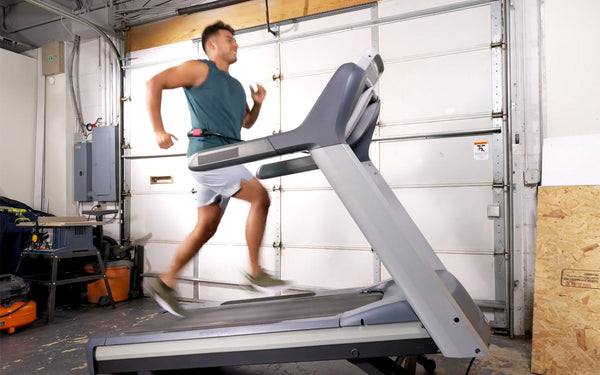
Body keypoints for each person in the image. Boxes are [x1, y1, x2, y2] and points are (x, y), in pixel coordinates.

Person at [145, 21, 287, 317]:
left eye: (235, 40)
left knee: (206, 227)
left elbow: (245, 123)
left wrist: (257, 104)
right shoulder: (199, 69)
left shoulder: (235, 87)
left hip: (229, 155)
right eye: (229, 40)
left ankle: (166, 282)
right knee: (261, 198)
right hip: (208, 155)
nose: (235, 44)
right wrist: (158, 129)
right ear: (211, 46)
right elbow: (154, 82)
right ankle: (256, 273)